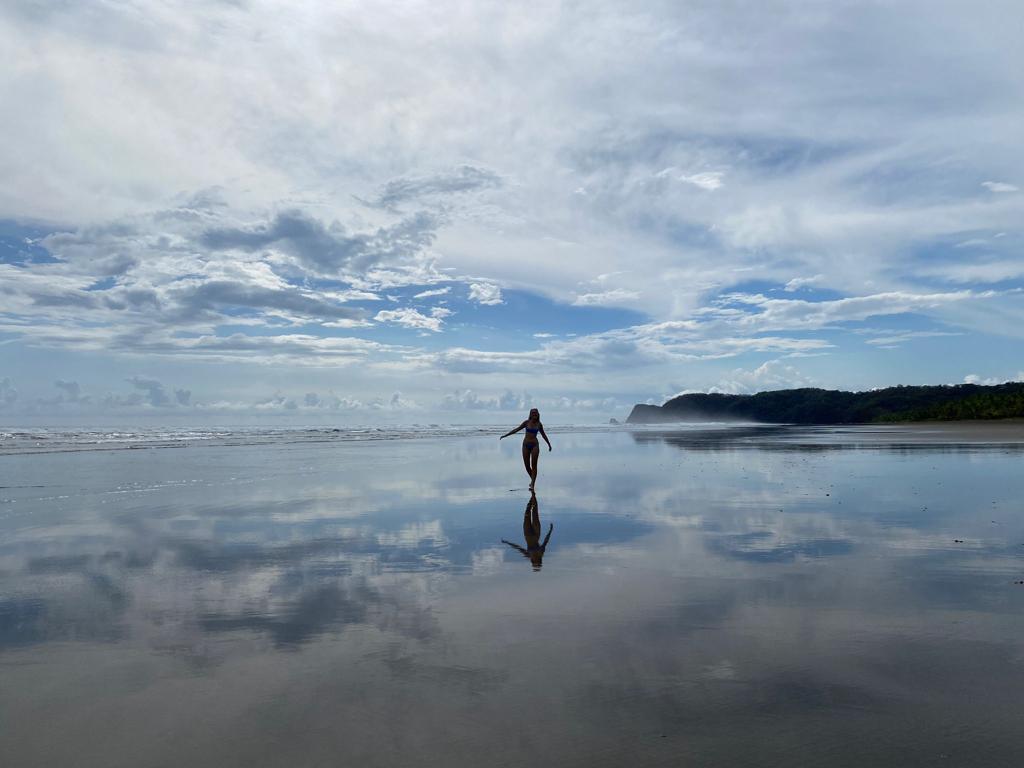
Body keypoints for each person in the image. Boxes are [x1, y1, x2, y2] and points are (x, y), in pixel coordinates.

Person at [499, 407, 551, 490]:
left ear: (538, 414)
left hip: (535, 446)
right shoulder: (526, 422)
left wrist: (549, 444)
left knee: (534, 466)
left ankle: (533, 484)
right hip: (525, 446)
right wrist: (505, 435)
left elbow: (543, 435)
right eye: (533, 412)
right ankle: (533, 480)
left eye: (535, 412)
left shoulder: (539, 424)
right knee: (527, 466)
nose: (534, 414)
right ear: (530, 414)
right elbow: (516, 429)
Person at [502, 491, 553, 571]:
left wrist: (507, 542)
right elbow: (545, 541)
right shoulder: (541, 553)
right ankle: (533, 495)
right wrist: (550, 530)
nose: (534, 561)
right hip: (536, 533)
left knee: (527, 513)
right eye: (536, 562)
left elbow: (518, 548)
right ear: (539, 561)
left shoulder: (529, 555)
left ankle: (532, 496)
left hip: (527, 534)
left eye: (534, 563)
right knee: (535, 512)